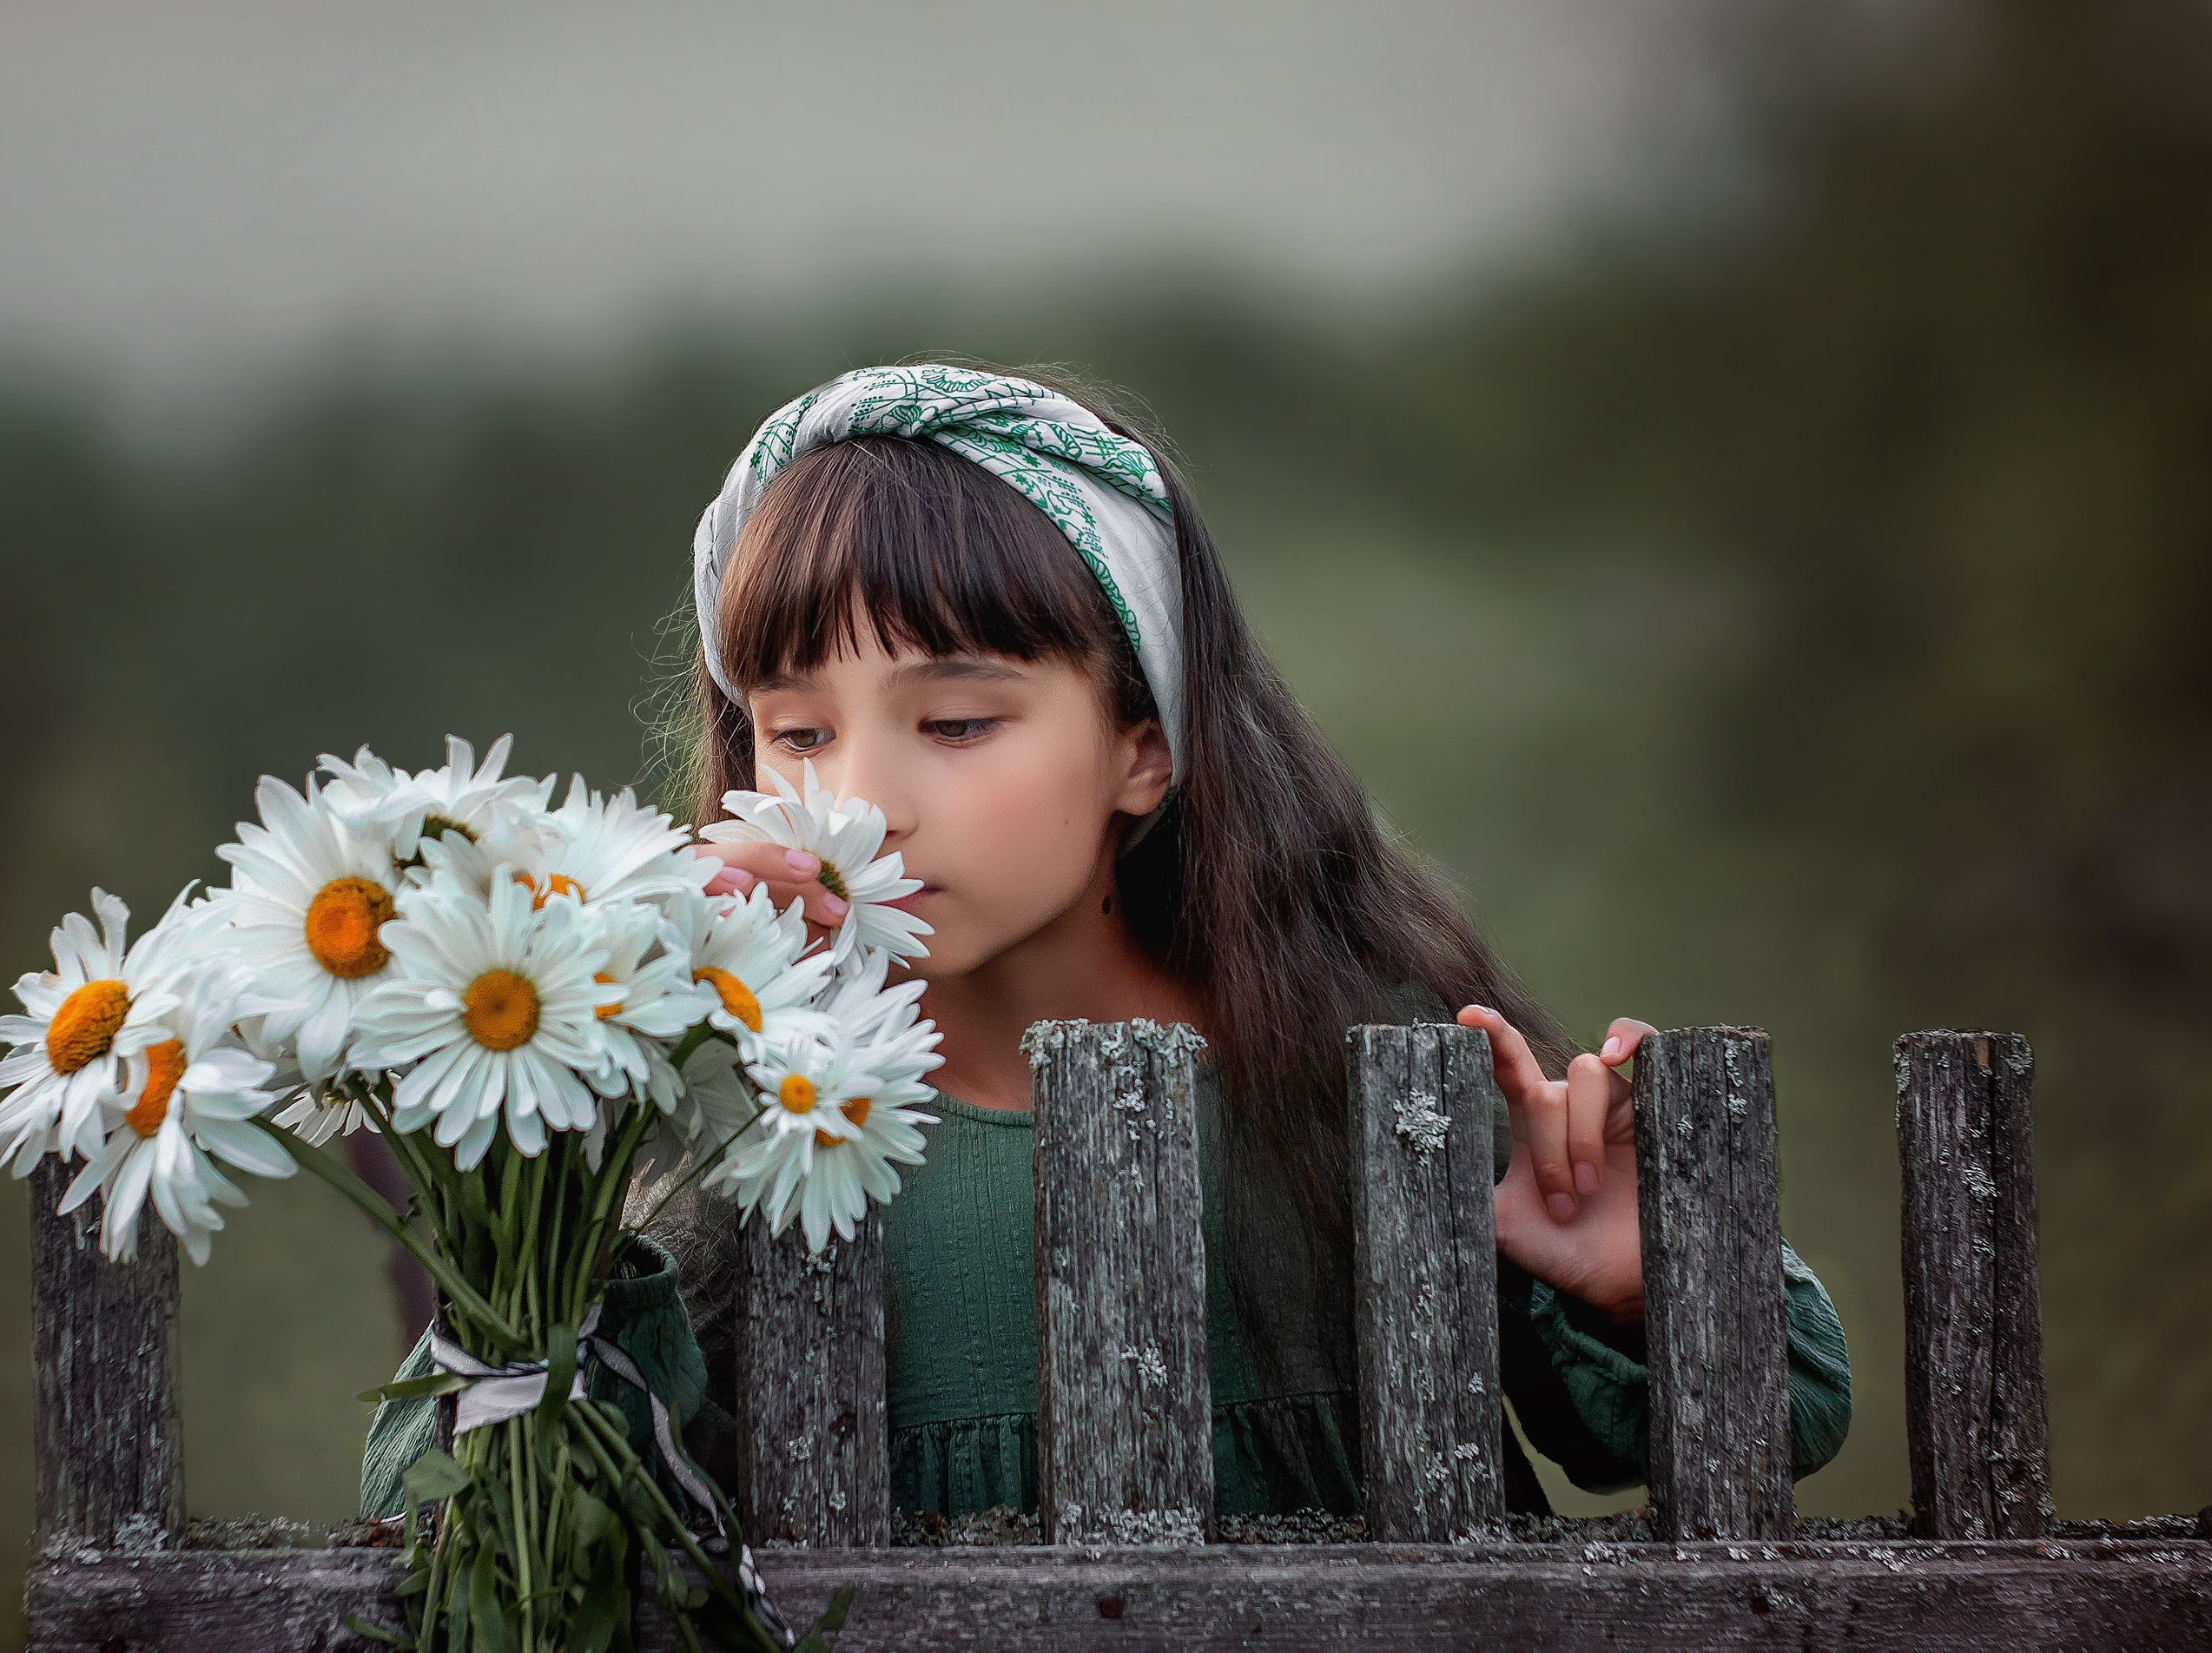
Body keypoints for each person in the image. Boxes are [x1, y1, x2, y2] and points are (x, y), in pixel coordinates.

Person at [364, 360, 1848, 1523]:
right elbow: (451, 1514)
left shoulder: (1358, 1074)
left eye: (957, 721)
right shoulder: (722, 1132)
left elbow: (1779, 1420)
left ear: (1145, 743)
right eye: (797, 733)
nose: (858, 802)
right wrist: (568, 1190)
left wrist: (1630, 1282)